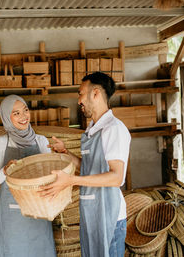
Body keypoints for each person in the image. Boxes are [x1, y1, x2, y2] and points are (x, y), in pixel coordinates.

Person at [41, 72, 131, 257]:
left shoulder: (113, 129)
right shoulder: (92, 129)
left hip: (109, 215)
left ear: (96, 93)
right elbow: (89, 169)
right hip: (93, 213)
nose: (79, 100)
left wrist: (71, 180)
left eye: (81, 93)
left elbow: (116, 177)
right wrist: (66, 153)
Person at [0, 94, 56, 257]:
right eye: (16, 113)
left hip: (38, 209)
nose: (23, 116)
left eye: (25, 110)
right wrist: (6, 170)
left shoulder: (40, 141)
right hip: (12, 213)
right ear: (6, 116)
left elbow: (51, 174)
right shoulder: (1, 142)